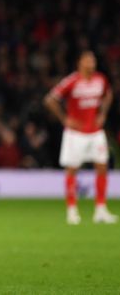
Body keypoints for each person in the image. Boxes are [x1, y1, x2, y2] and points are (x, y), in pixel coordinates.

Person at [44, 50, 116, 224]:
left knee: (102, 167)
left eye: (93, 60)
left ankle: (100, 209)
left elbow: (108, 94)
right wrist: (64, 119)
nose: (92, 63)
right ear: (79, 63)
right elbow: (50, 99)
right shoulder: (72, 81)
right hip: (75, 134)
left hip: (95, 132)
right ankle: (72, 210)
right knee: (72, 170)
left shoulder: (101, 79)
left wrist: (103, 114)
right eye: (88, 60)